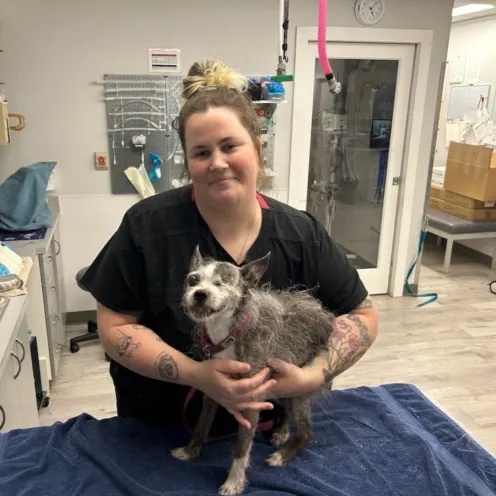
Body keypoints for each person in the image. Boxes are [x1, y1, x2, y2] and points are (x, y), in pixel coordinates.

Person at [81, 59, 379, 435]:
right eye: (202, 153)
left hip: (270, 434)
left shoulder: (301, 234)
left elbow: (362, 316)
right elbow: (114, 327)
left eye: (229, 146)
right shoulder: (147, 227)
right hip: (160, 433)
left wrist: (311, 376)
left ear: (256, 148)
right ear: (188, 163)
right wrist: (196, 374)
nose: (218, 163)